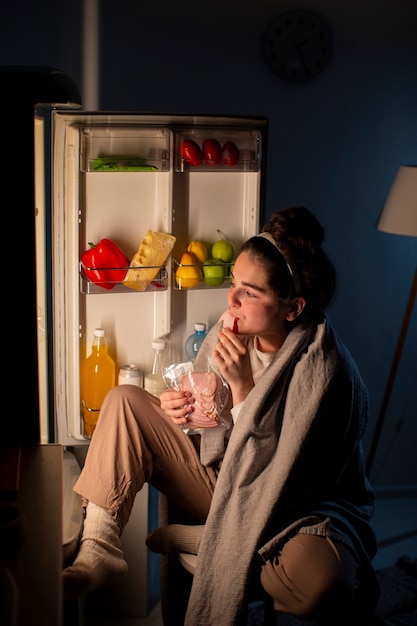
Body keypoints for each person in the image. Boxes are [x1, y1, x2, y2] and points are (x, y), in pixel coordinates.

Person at [63, 206, 380, 625]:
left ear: (291, 308)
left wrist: (245, 388)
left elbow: (280, 478)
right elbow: (215, 436)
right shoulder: (230, 333)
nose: (231, 299)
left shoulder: (326, 372)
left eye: (250, 292)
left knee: (322, 586)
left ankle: (210, 538)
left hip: (297, 507)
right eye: (233, 282)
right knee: (124, 399)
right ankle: (100, 546)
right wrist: (182, 412)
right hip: (230, 482)